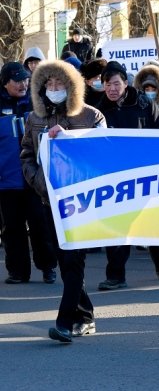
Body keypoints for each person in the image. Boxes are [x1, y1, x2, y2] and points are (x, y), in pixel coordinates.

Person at [19, 59, 106, 343]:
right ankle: (85, 315)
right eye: (49, 84)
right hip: (48, 201)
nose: (54, 88)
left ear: (71, 87)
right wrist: (43, 185)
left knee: (72, 259)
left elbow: (103, 154)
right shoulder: (34, 119)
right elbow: (27, 157)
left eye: (59, 83)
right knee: (63, 257)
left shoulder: (91, 116)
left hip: (82, 201)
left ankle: (65, 322)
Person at [95, 61, 159, 289]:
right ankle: (116, 276)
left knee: (148, 222)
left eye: (116, 83)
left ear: (125, 83)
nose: (111, 88)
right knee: (117, 225)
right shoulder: (99, 110)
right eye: (107, 84)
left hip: (144, 173)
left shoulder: (144, 104)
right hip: (114, 177)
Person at [0, 62, 57, 284]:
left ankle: (48, 267)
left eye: (26, 79)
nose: (23, 84)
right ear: (5, 83)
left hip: (34, 177)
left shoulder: (38, 103)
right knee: (12, 229)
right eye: (17, 80)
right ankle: (18, 271)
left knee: (40, 225)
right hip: (7, 180)